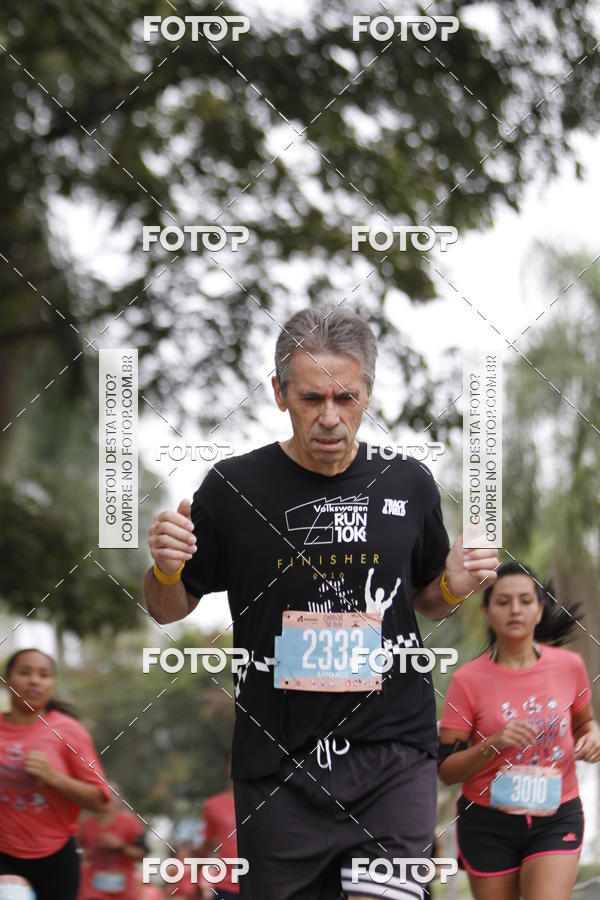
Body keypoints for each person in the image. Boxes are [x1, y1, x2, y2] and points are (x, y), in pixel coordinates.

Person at [143, 307, 499, 900]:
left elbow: (426, 601)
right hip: (278, 766)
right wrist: (165, 567)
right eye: (311, 399)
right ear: (279, 393)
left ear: (367, 394)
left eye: (346, 398)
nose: (330, 418)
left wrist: (453, 585)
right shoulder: (232, 488)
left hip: (393, 751)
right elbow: (168, 607)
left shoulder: (407, 482)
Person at [438, 560, 600, 900]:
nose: (515, 610)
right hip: (487, 824)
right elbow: (446, 770)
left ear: (540, 611)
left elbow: (585, 722)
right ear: (487, 612)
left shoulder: (569, 667)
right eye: (503, 601)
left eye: (526, 601)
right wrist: (491, 744)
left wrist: (592, 736)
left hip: (557, 815)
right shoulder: (467, 681)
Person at [0, 649, 110, 900]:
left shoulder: (68, 731)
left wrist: (54, 777)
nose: (34, 680)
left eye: (44, 675)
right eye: (24, 673)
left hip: (55, 859)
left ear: (52, 684)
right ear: (7, 681)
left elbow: (99, 799)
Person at [77, 788, 147, 899]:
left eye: (111, 796)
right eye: (102, 796)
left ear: (119, 799)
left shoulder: (131, 823)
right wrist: (86, 854)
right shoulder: (86, 824)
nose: (106, 799)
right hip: (92, 889)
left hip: (123, 890)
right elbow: (79, 852)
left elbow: (143, 855)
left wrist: (120, 846)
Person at [199, 764, 238, 900]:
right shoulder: (213, 805)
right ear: (228, 767)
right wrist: (197, 877)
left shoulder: (267, 801)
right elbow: (206, 845)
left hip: (262, 884)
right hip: (226, 886)